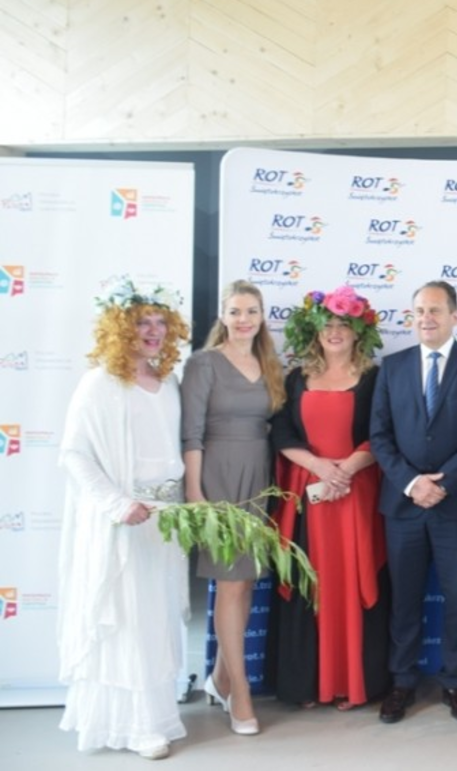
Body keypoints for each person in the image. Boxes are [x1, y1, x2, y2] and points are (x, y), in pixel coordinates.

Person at [57, 277, 190, 760]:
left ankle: (154, 716)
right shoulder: (100, 383)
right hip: (124, 520)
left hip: (165, 519)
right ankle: (133, 727)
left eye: (159, 322)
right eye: (141, 323)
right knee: (127, 618)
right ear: (119, 328)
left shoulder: (168, 381)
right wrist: (117, 504)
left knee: (156, 618)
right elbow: (74, 454)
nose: (153, 331)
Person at [370, 281, 457, 724]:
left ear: (455, 316)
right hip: (403, 505)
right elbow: (380, 436)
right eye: (419, 311)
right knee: (404, 598)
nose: (426, 318)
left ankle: (455, 682)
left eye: (435, 310)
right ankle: (402, 682)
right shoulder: (392, 367)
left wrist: (443, 483)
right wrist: (412, 483)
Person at [268, 286, 389, 711]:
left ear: (358, 332)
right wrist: (320, 467)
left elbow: (382, 433)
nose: (335, 332)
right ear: (315, 332)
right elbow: (282, 433)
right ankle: (309, 683)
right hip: (309, 498)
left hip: (356, 496)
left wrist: (346, 470)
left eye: (343, 325)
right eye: (327, 326)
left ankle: (352, 684)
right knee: (310, 583)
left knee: (353, 582)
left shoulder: (376, 378)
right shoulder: (295, 378)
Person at [182, 278, 285, 737]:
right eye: (236, 311)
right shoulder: (203, 364)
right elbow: (191, 434)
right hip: (218, 477)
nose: (244, 320)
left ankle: (221, 678)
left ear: (262, 317)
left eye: (251, 312)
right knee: (229, 584)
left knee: (244, 583)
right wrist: (195, 492)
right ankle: (239, 691)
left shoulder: (269, 363)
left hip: (259, 478)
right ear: (222, 316)